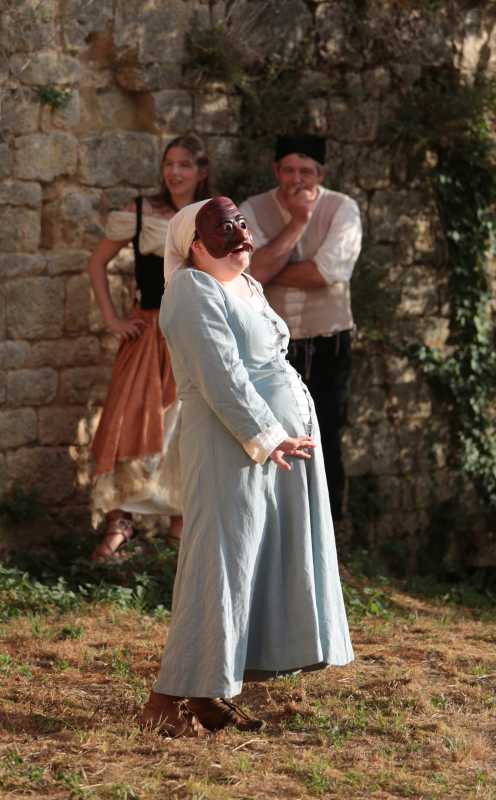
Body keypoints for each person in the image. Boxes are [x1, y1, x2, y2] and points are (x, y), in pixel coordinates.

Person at [139, 196, 354, 737]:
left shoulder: (245, 286)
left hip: (264, 449)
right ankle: (164, 702)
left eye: (240, 222)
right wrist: (270, 435)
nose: (239, 231)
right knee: (217, 563)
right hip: (228, 446)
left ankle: (209, 690)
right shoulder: (192, 289)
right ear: (193, 245)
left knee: (247, 563)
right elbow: (221, 376)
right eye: (222, 226)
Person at [88, 133, 211, 560]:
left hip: (193, 335)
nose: (174, 172)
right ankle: (119, 522)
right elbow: (96, 263)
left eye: (184, 164)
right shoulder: (140, 212)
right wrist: (113, 320)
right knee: (127, 422)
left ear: (202, 171)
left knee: (186, 427)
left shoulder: (211, 216)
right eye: (169, 164)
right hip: (149, 332)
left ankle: (180, 532)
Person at [240, 135, 362, 523]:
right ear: (276, 171)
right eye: (289, 170)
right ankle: (275, 527)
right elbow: (251, 270)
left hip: (328, 343)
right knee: (271, 434)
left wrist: (269, 268)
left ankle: (330, 531)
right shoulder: (252, 210)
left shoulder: (342, 208)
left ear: (320, 175)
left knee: (326, 435)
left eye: (306, 171)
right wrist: (298, 222)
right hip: (270, 346)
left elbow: (325, 272)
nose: (297, 179)